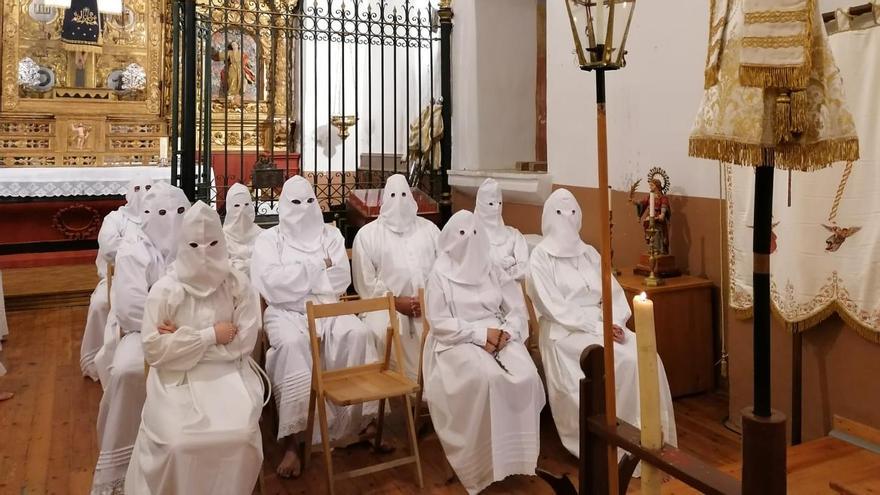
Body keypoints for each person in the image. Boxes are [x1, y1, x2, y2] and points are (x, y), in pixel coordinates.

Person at [528, 189, 677, 465]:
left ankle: (649, 438)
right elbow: (553, 307)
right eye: (560, 213)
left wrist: (615, 321)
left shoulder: (589, 254)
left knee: (645, 357)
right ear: (549, 216)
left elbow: (613, 293)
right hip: (566, 331)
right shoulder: (540, 258)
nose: (568, 219)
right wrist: (598, 327)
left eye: (573, 212)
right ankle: (614, 441)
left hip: (603, 324)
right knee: (615, 361)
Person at [125, 202, 266, 494]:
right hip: (174, 382)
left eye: (212, 243)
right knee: (177, 442)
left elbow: (243, 344)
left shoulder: (238, 284)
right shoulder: (165, 289)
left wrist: (180, 340)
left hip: (228, 376)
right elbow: (153, 350)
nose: (204, 252)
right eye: (194, 244)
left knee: (241, 435)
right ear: (182, 244)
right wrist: (209, 336)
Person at [251, 176, 377, 478]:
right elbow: (273, 286)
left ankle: (350, 426)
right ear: (283, 205)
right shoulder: (268, 240)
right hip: (285, 313)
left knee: (357, 332)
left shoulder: (330, 236)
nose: (303, 208)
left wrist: (298, 276)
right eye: (295, 202)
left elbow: (341, 278)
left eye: (309, 201)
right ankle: (294, 440)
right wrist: (317, 267)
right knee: (294, 347)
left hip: (328, 308)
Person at [423, 210, 545, 494]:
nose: (469, 241)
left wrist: (507, 333)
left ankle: (514, 458)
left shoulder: (492, 268)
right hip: (457, 340)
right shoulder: (440, 273)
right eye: (462, 235)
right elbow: (439, 323)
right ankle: (478, 461)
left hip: (499, 334)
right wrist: (479, 335)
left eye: (475, 233)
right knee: (488, 380)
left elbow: (516, 308)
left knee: (526, 375)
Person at [91, 183, 190, 494]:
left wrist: (184, 321)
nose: (170, 221)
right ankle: (124, 460)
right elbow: (130, 306)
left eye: (178, 212)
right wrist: (167, 320)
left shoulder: (197, 240)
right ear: (147, 215)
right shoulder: (134, 246)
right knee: (127, 371)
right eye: (161, 213)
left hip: (190, 332)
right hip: (144, 332)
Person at [352, 174, 439, 381]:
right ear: (384, 200)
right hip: (383, 307)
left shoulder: (430, 230)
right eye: (393, 195)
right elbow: (366, 283)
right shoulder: (368, 235)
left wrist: (427, 299)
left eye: (403, 194)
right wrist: (395, 302)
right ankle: (399, 392)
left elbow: (444, 270)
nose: (399, 201)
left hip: (431, 304)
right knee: (383, 334)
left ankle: (435, 391)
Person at [80, 174, 153, 381]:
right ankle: (94, 360)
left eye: (149, 187)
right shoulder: (115, 219)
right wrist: (137, 251)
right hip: (118, 276)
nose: (144, 194)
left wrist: (131, 245)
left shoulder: (159, 214)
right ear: (129, 194)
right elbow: (109, 247)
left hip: (151, 279)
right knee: (100, 303)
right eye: (138, 189)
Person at [474, 178, 530, 281]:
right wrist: (510, 261)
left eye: (499, 203)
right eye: (491, 204)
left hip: (511, 292)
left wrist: (502, 273)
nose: (496, 208)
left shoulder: (514, 235)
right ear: (480, 204)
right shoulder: (471, 237)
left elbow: (525, 267)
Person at [223, 182, 262, 277]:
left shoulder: (262, 235)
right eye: (236, 205)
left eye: (246, 204)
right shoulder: (221, 238)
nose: (241, 210)